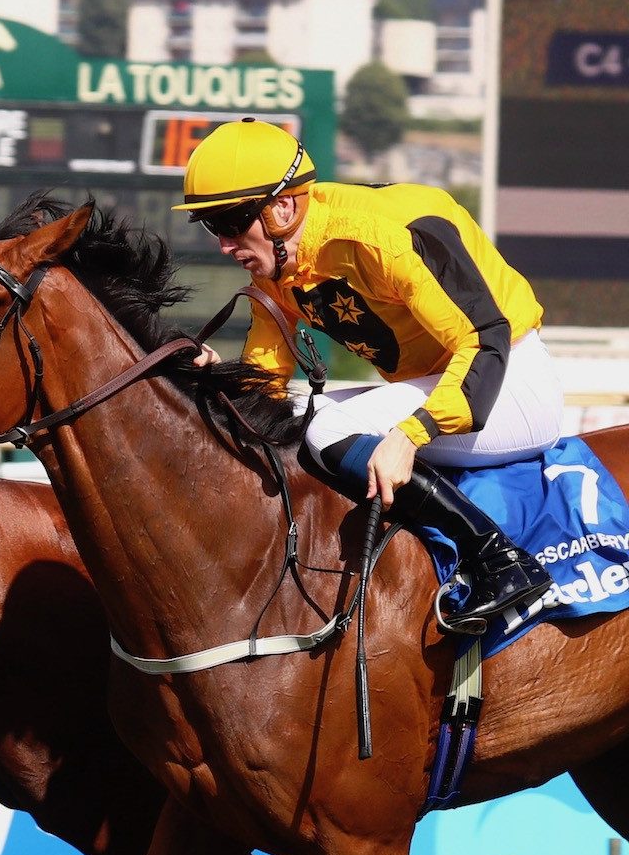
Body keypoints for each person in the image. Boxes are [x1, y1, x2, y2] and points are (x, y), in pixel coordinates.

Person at [180, 117, 563, 629]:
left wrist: (411, 435)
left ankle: (499, 559)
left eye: (229, 223)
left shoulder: (388, 236)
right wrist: (219, 383)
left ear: (282, 208)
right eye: (211, 227)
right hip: (437, 385)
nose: (224, 245)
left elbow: (484, 339)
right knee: (292, 416)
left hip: (506, 383)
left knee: (326, 429)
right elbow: (265, 376)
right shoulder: (278, 263)